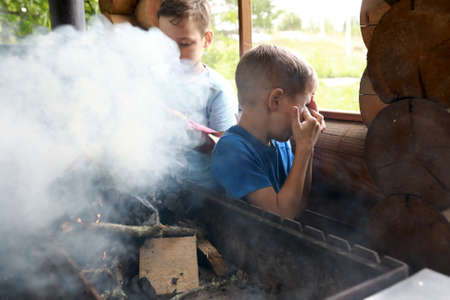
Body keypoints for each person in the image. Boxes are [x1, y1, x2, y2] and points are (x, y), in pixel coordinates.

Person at [211, 44, 326, 219]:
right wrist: (304, 148)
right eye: (305, 106)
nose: (308, 115)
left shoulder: (282, 143)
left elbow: (299, 204)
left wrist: (308, 147)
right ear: (275, 100)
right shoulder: (232, 149)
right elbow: (282, 216)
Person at [158, 0, 238, 134]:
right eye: (166, 43)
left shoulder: (218, 91)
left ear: (206, 39)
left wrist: (187, 128)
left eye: (184, 44)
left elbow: (226, 148)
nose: (173, 53)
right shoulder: (154, 78)